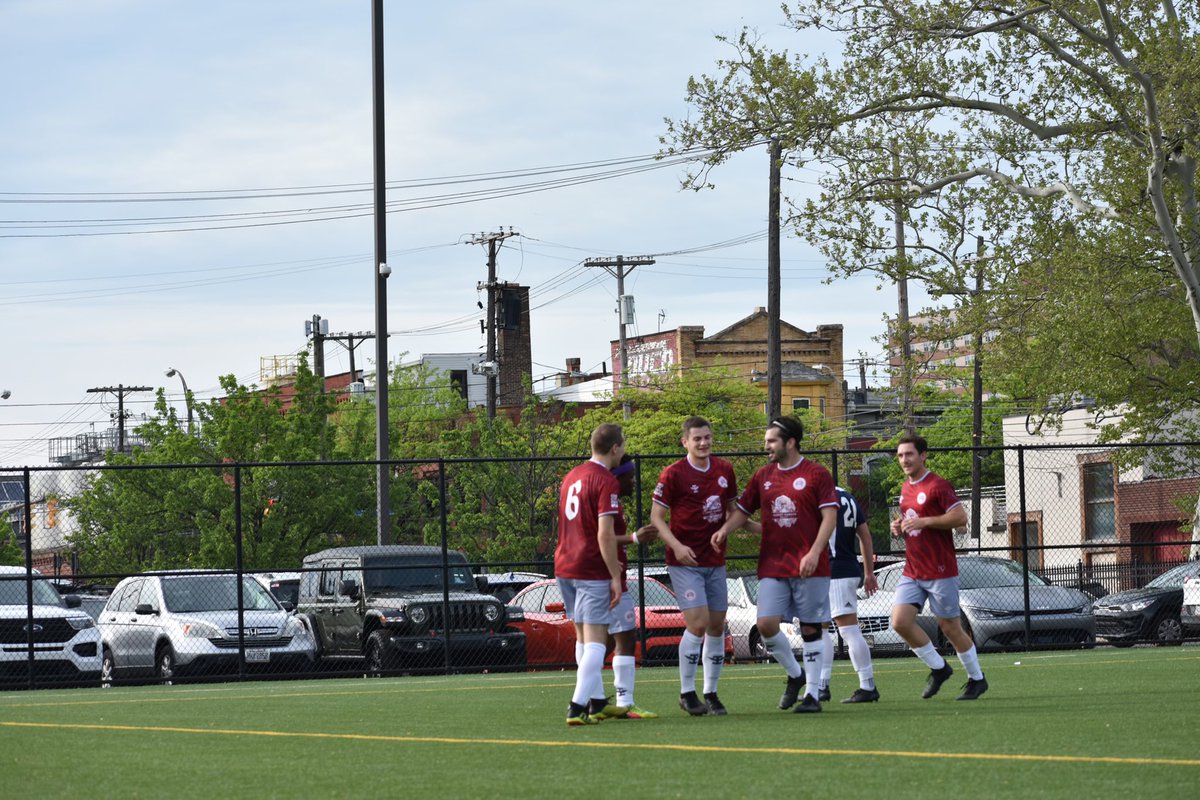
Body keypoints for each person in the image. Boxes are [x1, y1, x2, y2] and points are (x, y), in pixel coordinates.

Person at [711, 416, 839, 714]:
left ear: (790, 442)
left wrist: (813, 552)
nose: (766, 445)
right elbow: (743, 511)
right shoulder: (762, 476)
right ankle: (796, 675)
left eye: (771, 441)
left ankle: (812, 696)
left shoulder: (816, 474)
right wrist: (724, 530)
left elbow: (829, 518)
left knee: (809, 629)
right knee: (766, 624)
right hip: (773, 564)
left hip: (811, 565)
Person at [650, 415, 750, 716]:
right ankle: (686, 691)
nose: (703, 443)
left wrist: (727, 530)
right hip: (685, 562)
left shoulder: (724, 470)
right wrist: (677, 546)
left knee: (717, 625)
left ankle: (711, 692)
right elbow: (657, 517)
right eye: (697, 439)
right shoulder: (673, 474)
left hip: (715, 560)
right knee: (697, 623)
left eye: (707, 437)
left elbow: (735, 512)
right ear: (685, 442)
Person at [889, 433, 988, 701]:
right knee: (899, 622)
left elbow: (960, 517)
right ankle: (939, 668)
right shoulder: (906, 488)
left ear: (923, 455)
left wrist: (924, 522)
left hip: (940, 569)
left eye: (909, 454)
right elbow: (910, 521)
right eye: (900, 455)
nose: (904, 459)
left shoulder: (938, 485)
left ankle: (977, 680)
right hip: (913, 569)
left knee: (950, 627)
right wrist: (898, 527)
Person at [555, 422, 627, 726]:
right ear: (615, 448)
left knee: (583, 638)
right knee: (598, 640)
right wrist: (614, 576)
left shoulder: (572, 476)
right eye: (622, 445)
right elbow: (604, 535)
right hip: (589, 567)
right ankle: (576, 706)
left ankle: (595, 702)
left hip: (564, 565)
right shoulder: (606, 481)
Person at [585, 454, 660, 720]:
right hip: (607, 579)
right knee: (622, 638)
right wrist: (634, 538)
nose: (633, 481)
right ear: (617, 476)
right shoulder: (607, 495)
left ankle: (593, 701)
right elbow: (600, 536)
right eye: (630, 475)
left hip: (601, 577)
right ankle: (620, 703)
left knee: (601, 642)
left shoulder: (599, 492)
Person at [817, 486, 880, 704]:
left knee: (848, 630)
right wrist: (868, 572)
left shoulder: (822, 497)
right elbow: (865, 536)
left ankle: (867, 685)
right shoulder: (849, 498)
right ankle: (821, 685)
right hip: (845, 569)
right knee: (820, 628)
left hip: (835, 571)